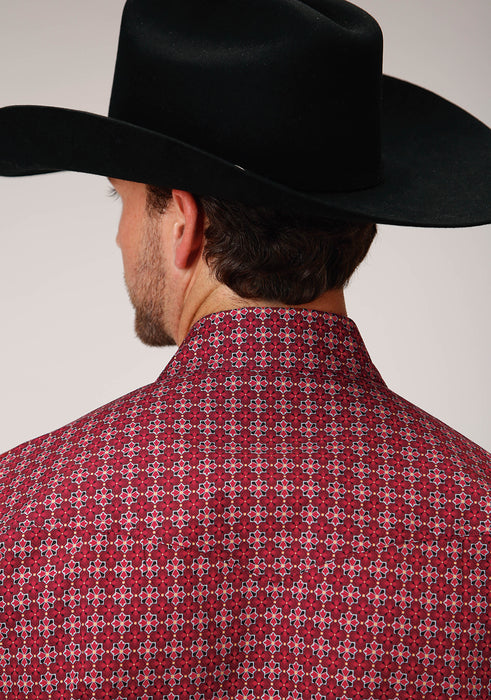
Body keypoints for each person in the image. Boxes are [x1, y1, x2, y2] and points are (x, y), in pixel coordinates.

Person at [0, 0, 490, 698]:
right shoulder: (476, 513)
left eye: (122, 201)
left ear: (184, 223)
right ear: (360, 225)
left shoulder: (22, 514)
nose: (118, 236)